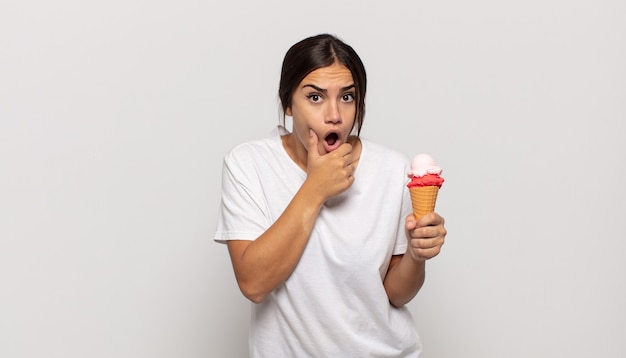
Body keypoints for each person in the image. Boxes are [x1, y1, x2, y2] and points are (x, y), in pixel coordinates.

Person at [215, 34, 446, 357]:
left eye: (347, 97)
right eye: (315, 98)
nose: (334, 114)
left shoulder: (392, 169)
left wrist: (416, 257)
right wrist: (315, 188)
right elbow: (254, 283)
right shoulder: (249, 164)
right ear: (288, 104)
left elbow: (395, 294)